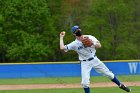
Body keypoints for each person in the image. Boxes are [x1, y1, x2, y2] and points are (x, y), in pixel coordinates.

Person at [59, 25, 131, 93]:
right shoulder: (74, 44)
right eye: (76, 30)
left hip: (94, 59)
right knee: (85, 83)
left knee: (109, 74)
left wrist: (92, 43)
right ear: (74, 34)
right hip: (85, 63)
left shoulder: (89, 37)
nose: (78, 31)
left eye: (79, 29)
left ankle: (121, 85)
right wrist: (61, 37)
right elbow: (62, 48)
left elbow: (99, 45)